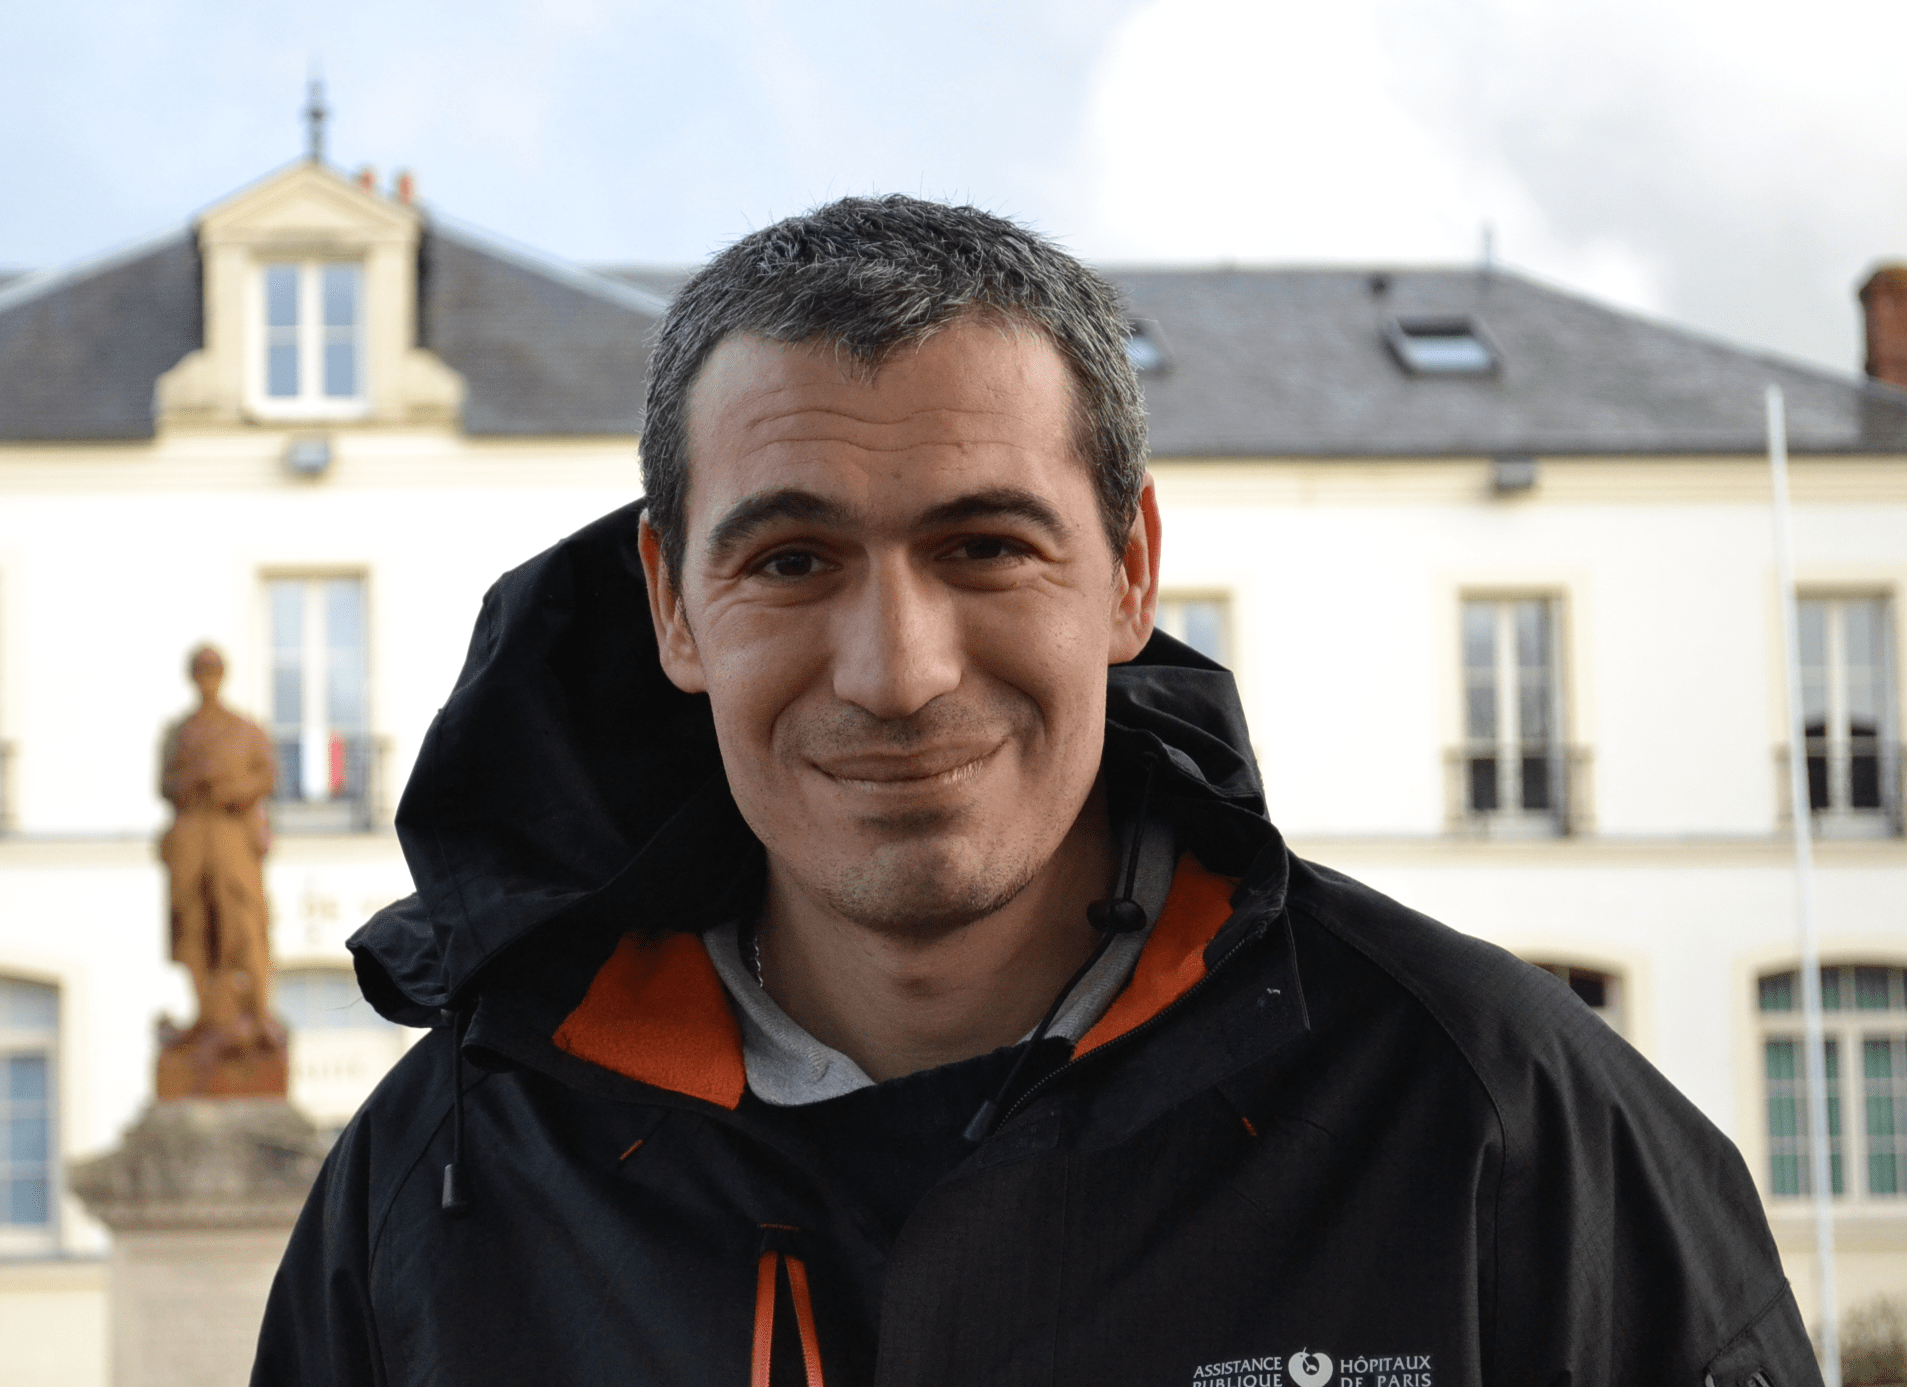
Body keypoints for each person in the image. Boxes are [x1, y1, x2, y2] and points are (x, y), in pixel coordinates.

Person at [253, 197, 1816, 1386]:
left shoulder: (1495, 1119)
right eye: (791, 561)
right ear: (672, 604)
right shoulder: (441, 1179)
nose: (897, 671)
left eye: (985, 547)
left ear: (1130, 571)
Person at [161, 644, 281, 1061]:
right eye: (201, 672)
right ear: (193, 678)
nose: (207, 680)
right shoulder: (179, 732)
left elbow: (266, 775)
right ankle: (208, 1015)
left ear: (222, 676)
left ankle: (258, 1014)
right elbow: (165, 783)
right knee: (192, 923)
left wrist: (233, 789)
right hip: (193, 829)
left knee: (244, 920)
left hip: (232, 831)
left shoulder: (244, 729)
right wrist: (194, 782)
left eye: (213, 672)